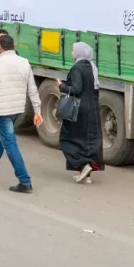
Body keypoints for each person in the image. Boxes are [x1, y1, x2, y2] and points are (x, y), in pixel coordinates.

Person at [0, 34, 43, 193]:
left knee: (10, 144)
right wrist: (37, 111)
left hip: (2, 110)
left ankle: (25, 181)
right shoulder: (25, 62)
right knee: (0, 140)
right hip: (17, 109)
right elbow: (32, 89)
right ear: (13, 46)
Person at [59, 42, 105, 183]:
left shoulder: (77, 68)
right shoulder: (92, 68)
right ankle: (86, 174)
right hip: (92, 109)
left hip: (79, 110)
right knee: (87, 141)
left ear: (79, 53)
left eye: (73, 51)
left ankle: (84, 165)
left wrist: (61, 86)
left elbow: (76, 89)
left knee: (67, 139)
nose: (71, 53)